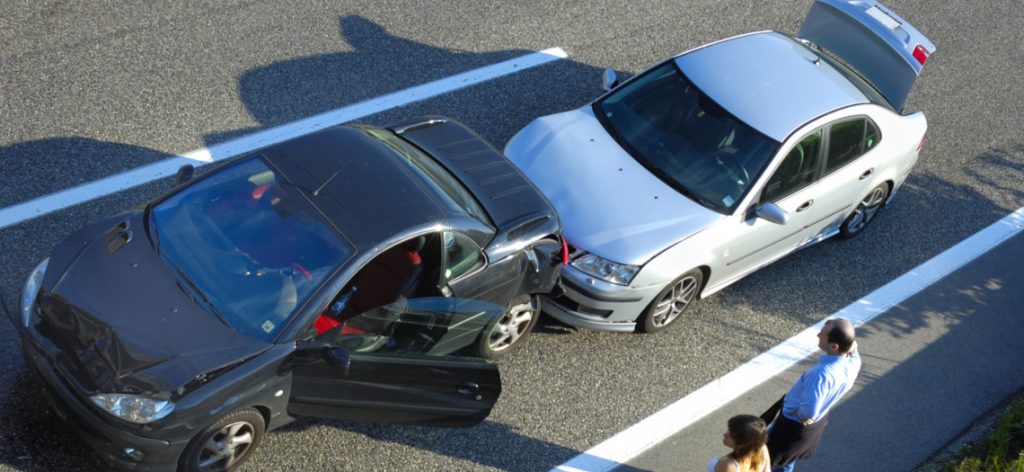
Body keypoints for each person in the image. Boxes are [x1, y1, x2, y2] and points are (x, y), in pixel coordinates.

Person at [764, 318, 861, 472]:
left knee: (765, 459)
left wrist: (799, 412)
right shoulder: (853, 363)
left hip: (790, 427)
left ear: (834, 346)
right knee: (788, 459)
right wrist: (852, 345)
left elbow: (809, 411)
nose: (817, 335)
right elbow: (854, 347)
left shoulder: (822, 374)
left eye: (822, 334)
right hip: (811, 429)